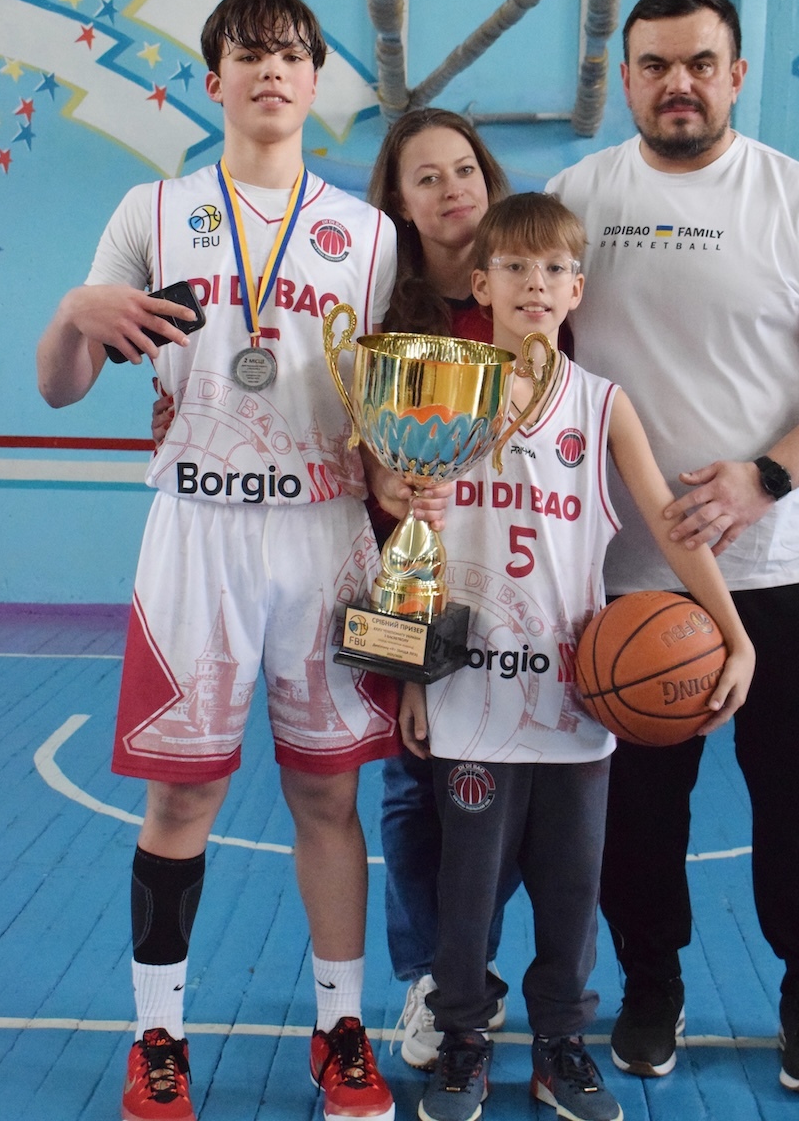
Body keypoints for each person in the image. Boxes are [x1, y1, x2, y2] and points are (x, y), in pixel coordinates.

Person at [36, 0, 447, 1121]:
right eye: (249, 54)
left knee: (327, 791)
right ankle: (156, 1037)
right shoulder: (152, 210)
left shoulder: (370, 236)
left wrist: (395, 482)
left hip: (323, 532)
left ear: (314, 83)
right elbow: (60, 387)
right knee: (183, 798)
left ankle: (340, 1031)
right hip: (195, 529)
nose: (272, 70)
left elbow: (379, 411)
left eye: (292, 54)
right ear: (213, 80)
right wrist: (72, 311)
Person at [546, 0, 799, 1098]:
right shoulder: (576, 198)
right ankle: (650, 980)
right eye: (654, 64)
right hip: (627, 571)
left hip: (786, 567)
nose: (678, 84)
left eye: (699, 62)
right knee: (636, 811)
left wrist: (766, 476)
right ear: (626, 78)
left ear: (734, 74)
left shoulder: (798, 202)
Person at [399, 191, 755, 1121]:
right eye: (515, 266)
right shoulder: (444, 390)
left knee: (570, 889)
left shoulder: (602, 405)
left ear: (576, 290)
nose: (536, 282)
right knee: (466, 889)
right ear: (482, 284)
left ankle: (560, 1044)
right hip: (469, 688)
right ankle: (463, 1039)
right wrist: (409, 671)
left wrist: (734, 630)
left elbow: (673, 528)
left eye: (555, 267)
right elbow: (415, 546)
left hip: (576, 693)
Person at [365, 109, 516, 1069]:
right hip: (405, 571)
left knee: (502, 791)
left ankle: (471, 958)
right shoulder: (384, 310)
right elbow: (355, 442)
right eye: (427, 177)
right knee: (414, 780)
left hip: (517, 575)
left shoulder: (531, 295)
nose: (453, 188)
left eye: (465, 169)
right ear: (399, 200)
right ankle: (433, 974)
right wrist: (382, 476)